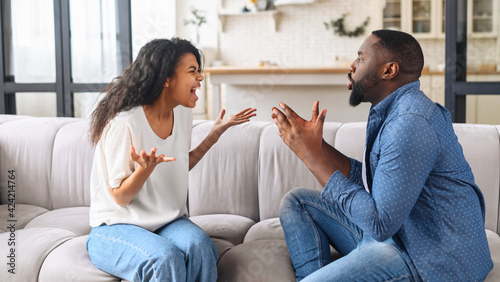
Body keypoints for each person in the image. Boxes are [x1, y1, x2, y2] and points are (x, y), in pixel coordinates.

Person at [272, 30, 493, 281]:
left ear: (389, 71)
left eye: (361, 58)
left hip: (431, 258)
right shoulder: (394, 110)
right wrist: (317, 146)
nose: (352, 65)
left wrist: (312, 158)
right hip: (401, 234)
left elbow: (380, 224)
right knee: (297, 202)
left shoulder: (410, 123)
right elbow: (372, 186)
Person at [86, 38, 256, 282]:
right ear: (167, 78)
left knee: (201, 247)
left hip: (167, 222)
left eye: (199, 70)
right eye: (192, 71)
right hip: (115, 227)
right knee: (164, 258)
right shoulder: (124, 123)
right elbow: (120, 196)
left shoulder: (183, 113)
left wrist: (214, 134)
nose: (200, 77)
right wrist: (144, 170)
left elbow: (180, 165)